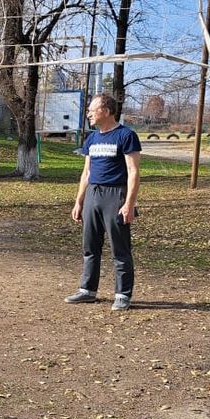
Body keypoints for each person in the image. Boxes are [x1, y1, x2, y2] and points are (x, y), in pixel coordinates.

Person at [66, 93, 142, 311]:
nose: (88, 113)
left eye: (92, 109)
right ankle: (87, 291)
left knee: (120, 249)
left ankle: (122, 295)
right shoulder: (92, 138)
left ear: (106, 111)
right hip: (93, 195)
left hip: (115, 195)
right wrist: (79, 202)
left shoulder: (126, 135)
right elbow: (86, 173)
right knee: (90, 246)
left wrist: (129, 203)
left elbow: (133, 172)